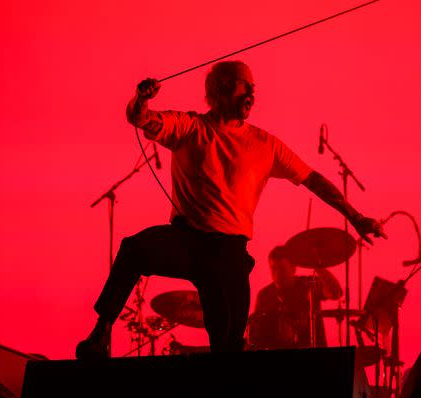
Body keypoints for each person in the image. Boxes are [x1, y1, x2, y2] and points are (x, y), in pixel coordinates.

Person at [76, 60, 387, 358]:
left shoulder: (265, 144)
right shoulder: (189, 127)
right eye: (243, 87)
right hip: (187, 240)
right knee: (134, 249)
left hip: (230, 254)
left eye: (253, 87)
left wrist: (356, 217)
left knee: (228, 348)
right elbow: (141, 118)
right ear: (221, 90)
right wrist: (140, 100)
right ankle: (101, 332)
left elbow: (313, 180)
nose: (252, 94)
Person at [249, 245, 342, 349]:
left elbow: (336, 293)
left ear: (293, 268)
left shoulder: (308, 284)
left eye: (282, 268)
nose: (277, 273)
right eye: (273, 268)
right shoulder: (264, 295)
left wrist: (317, 266)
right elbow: (256, 334)